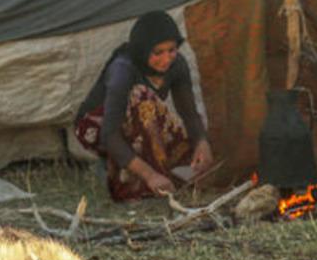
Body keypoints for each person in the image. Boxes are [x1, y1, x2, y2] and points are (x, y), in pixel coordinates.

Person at [74, 11, 213, 200]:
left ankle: (140, 168)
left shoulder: (177, 64)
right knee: (143, 97)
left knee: (188, 155)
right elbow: (109, 133)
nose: (166, 59)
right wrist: (150, 174)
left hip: (135, 126)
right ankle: (122, 171)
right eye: (158, 53)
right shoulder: (122, 69)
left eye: (171, 50)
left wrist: (202, 142)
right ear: (143, 50)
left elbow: (188, 113)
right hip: (100, 127)